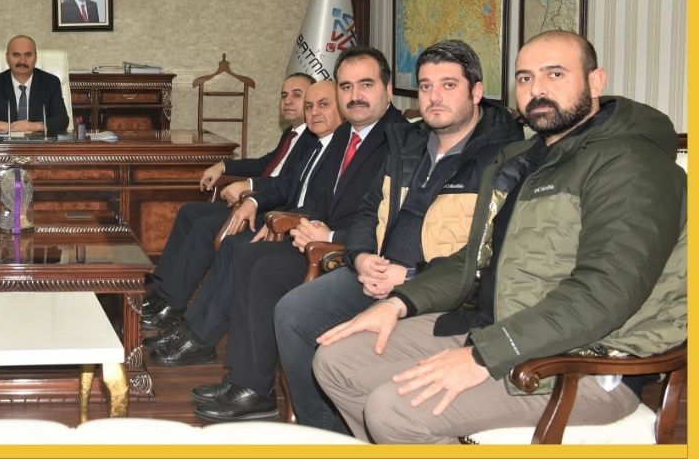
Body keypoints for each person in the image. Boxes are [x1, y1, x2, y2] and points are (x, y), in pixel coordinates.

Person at [312, 31, 686, 443]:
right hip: (496, 325)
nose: (537, 89)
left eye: (555, 74)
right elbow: (477, 256)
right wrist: (399, 303)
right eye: (525, 78)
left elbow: (605, 292)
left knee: (393, 409)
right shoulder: (527, 159)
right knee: (335, 362)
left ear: (595, 82)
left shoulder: (632, 163)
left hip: (585, 360)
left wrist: (483, 356)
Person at [196, 40, 521, 423]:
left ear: (476, 91)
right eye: (426, 86)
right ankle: (319, 427)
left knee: (274, 278)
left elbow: (485, 253)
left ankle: (318, 421)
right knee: (292, 310)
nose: (435, 97)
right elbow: (369, 209)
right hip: (371, 266)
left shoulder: (502, 158)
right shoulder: (409, 144)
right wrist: (362, 255)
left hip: (434, 286)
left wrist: (406, 274)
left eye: (448, 85)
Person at [153, 48, 403, 369]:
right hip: (307, 228)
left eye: (365, 85)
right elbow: (299, 187)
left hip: (345, 251)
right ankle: (213, 349)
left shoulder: (399, 141)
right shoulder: (338, 137)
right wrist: (283, 213)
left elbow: (379, 216)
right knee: (238, 248)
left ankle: (223, 358)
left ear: (388, 89)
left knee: (248, 255)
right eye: (346, 87)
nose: (354, 96)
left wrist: (312, 228)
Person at [142, 73, 317, 331]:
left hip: (269, 209)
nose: (288, 101)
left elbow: (289, 184)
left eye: (297, 95)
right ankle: (163, 291)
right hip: (257, 200)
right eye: (284, 95)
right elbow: (265, 164)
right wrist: (224, 165)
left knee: (204, 227)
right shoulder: (291, 134)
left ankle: (174, 305)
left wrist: (250, 186)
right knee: (189, 212)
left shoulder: (314, 139)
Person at [0, 34, 69, 135]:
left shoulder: (50, 82)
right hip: (5, 142)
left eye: (28, 55)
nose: (22, 61)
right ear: (7, 57)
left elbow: (62, 119)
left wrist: (35, 126)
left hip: (39, 142)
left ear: (35, 57)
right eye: (16, 55)